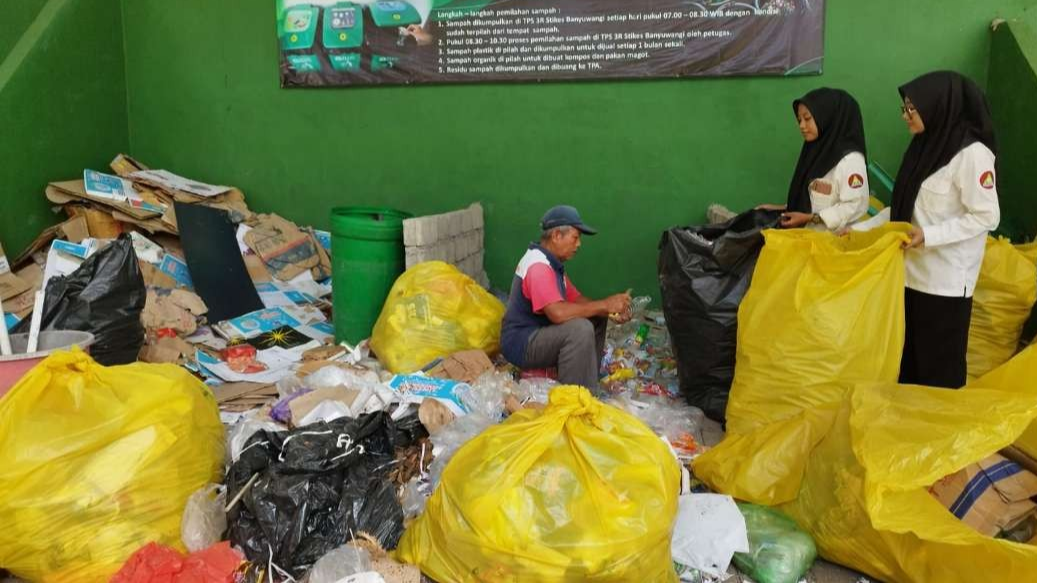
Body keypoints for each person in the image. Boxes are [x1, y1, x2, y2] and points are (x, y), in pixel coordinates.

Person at [855, 71, 1000, 388]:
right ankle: (911, 432)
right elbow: (904, 208)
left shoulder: (972, 155)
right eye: (904, 108)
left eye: (912, 108)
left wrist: (929, 236)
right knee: (909, 367)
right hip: (909, 277)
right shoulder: (923, 148)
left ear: (938, 106)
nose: (906, 116)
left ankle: (939, 434)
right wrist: (859, 231)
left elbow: (987, 216)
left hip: (945, 283)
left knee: (939, 372)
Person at [500, 206, 632, 390]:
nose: (578, 244)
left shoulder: (552, 264)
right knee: (579, 329)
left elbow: (577, 299)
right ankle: (573, 400)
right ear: (556, 236)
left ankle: (587, 384)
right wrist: (605, 304)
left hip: (538, 334)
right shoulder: (538, 265)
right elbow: (558, 313)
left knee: (596, 316)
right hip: (522, 343)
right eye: (575, 238)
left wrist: (609, 310)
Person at [759, 88, 870, 231]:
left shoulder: (850, 161)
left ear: (827, 117)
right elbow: (812, 198)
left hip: (833, 243)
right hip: (806, 235)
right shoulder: (815, 152)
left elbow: (854, 206)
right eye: (799, 120)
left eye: (807, 118)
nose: (802, 126)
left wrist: (811, 218)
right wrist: (779, 209)